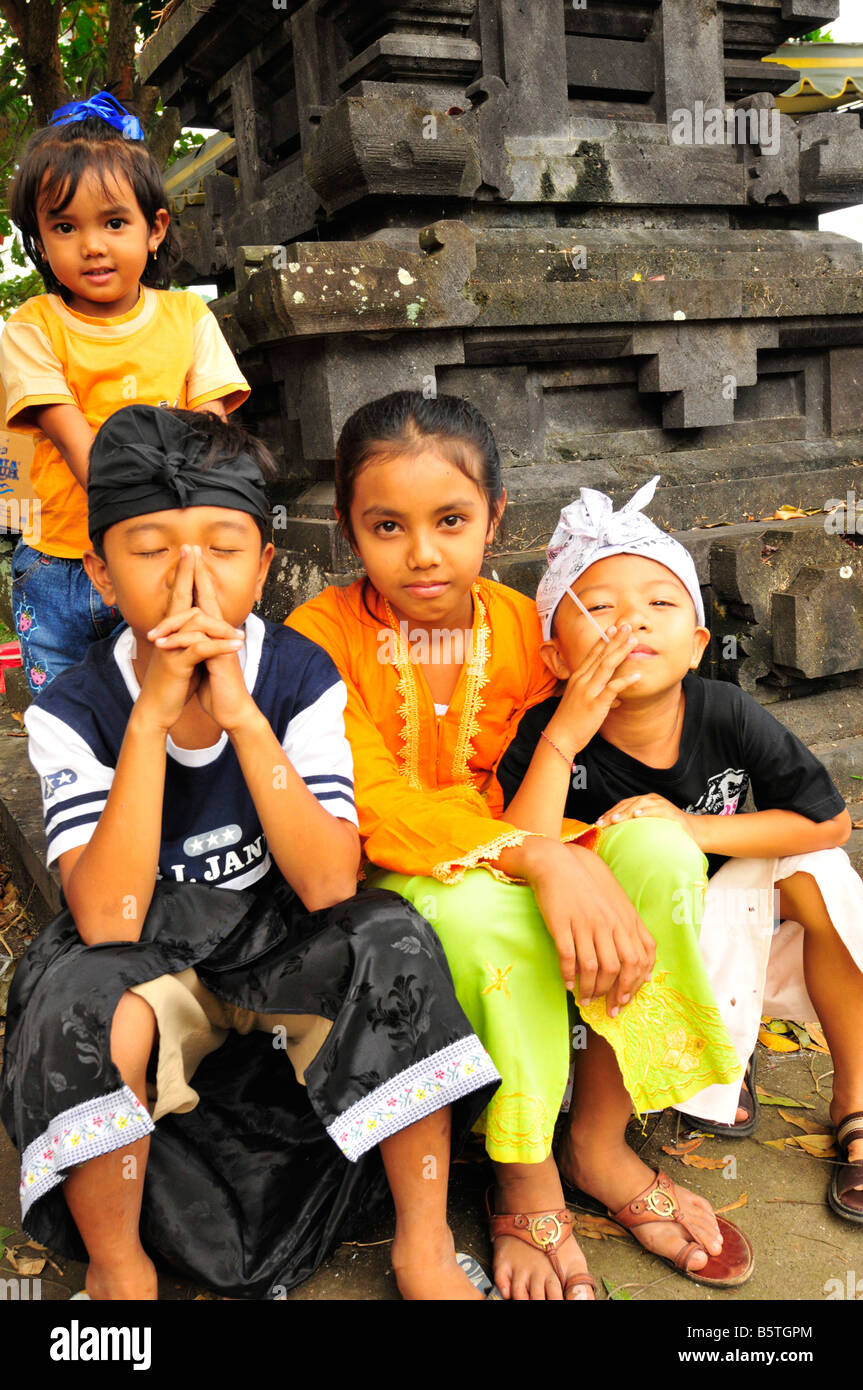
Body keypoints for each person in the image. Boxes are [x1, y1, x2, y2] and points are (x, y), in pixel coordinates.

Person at [0, 404, 501, 1301]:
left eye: (222, 548)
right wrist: (152, 716)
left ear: (264, 566)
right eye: (151, 550)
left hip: (274, 935)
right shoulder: (72, 708)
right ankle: (121, 1274)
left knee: (388, 937)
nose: (190, 579)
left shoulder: (299, 674)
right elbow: (108, 917)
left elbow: (327, 882)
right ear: (101, 576)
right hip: (146, 950)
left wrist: (240, 715)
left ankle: (423, 1247)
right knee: (77, 1002)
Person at [288, 391, 750, 1299]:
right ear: (348, 531)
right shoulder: (319, 637)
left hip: (531, 832)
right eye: (388, 525)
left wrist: (590, 830)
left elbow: (593, 733)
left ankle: (597, 1142)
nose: (422, 553)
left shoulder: (522, 624)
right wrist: (538, 859)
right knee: (485, 917)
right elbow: (372, 798)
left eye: (450, 520)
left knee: (657, 852)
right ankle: (523, 1167)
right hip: (401, 863)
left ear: (494, 518)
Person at [497, 474, 863, 1229]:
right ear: (556, 657)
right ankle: (708, 1064)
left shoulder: (724, 711)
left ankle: (854, 1100)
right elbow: (517, 851)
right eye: (598, 609)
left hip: (727, 922)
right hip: (612, 955)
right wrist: (565, 733)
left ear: (697, 643)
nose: (631, 622)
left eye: (660, 605)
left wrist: (694, 829)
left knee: (820, 874)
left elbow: (827, 824)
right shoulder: (544, 733)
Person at [0, 91, 249, 693]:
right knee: (66, 711)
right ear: (39, 236)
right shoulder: (31, 327)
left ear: (154, 228)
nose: (92, 245)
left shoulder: (189, 317)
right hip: (58, 563)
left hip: (164, 556)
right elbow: (72, 440)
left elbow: (207, 441)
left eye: (114, 222)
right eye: (64, 226)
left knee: (174, 697)